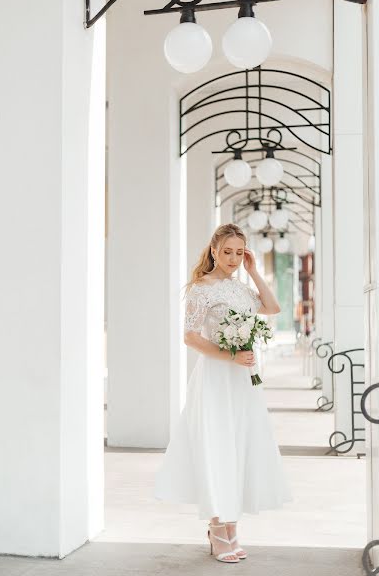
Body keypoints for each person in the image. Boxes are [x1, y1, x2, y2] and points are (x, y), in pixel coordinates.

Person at [153, 223, 293, 563]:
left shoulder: (242, 289)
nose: (232, 258)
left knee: (239, 446)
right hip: (217, 376)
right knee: (217, 447)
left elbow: (272, 308)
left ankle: (232, 525)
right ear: (214, 250)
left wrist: (254, 272)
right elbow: (190, 337)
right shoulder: (201, 289)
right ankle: (218, 529)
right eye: (226, 251)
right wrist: (230, 355)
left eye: (237, 252)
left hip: (244, 380)